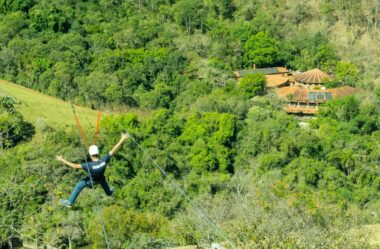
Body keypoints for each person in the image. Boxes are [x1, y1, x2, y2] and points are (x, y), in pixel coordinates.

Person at [56, 133, 129, 208]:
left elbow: (74, 166)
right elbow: (113, 150)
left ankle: (69, 202)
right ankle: (109, 192)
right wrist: (122, 139)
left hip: (91, 181)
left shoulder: (89, 165)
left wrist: (62, 159)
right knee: (102, 179)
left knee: (79, 185)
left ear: (90, 155)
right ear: (98, 153)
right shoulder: (104, 160)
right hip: (100, 179)